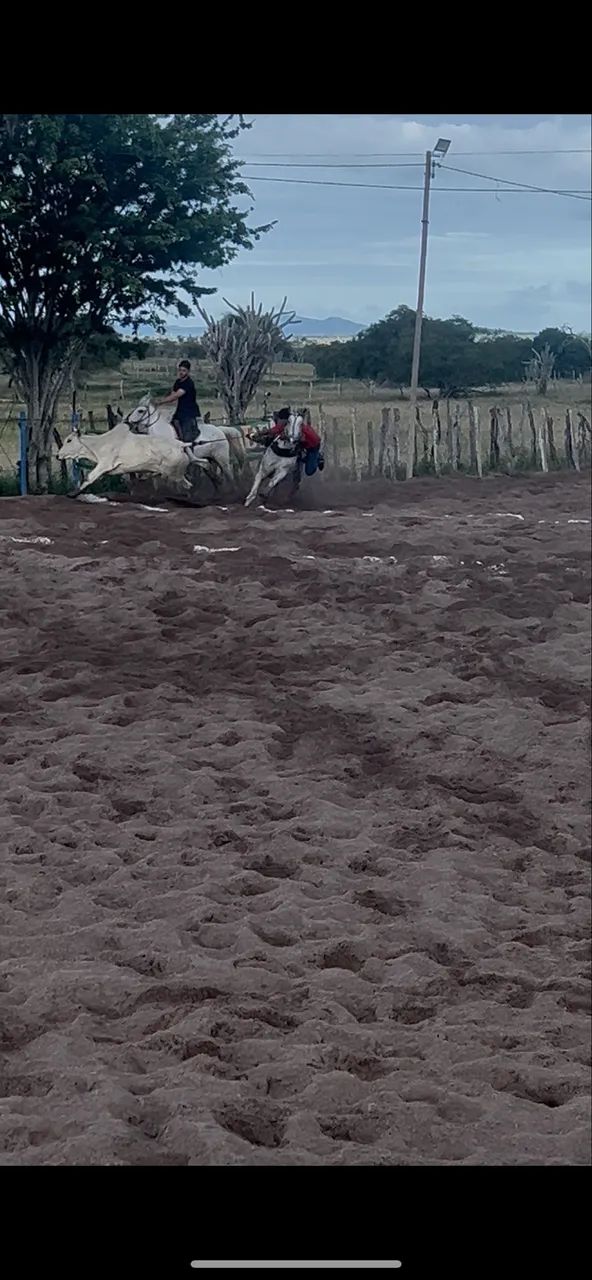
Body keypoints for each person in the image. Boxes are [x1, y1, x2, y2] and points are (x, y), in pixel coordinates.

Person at [268, 407, 324, 475]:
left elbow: (301, 438)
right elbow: (275, 430)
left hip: (312, 446)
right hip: (302, 444)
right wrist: (262, 433)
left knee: (309, 471)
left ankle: (318, 458)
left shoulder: (297, 428)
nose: (279, 422)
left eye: (280, 420)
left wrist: (286, 437)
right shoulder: (286, 424)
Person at [156, 359, 201, 443]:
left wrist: (160, 402)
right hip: (180, 411)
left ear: (188, 371)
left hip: (189, 412)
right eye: (180, 370)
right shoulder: (178, 382)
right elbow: (172, 396)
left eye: (184, 370)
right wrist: (164, 401)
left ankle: (191, 451)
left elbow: (176, 395)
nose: (181, 372)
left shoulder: (188, 383)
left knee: (187, 437)